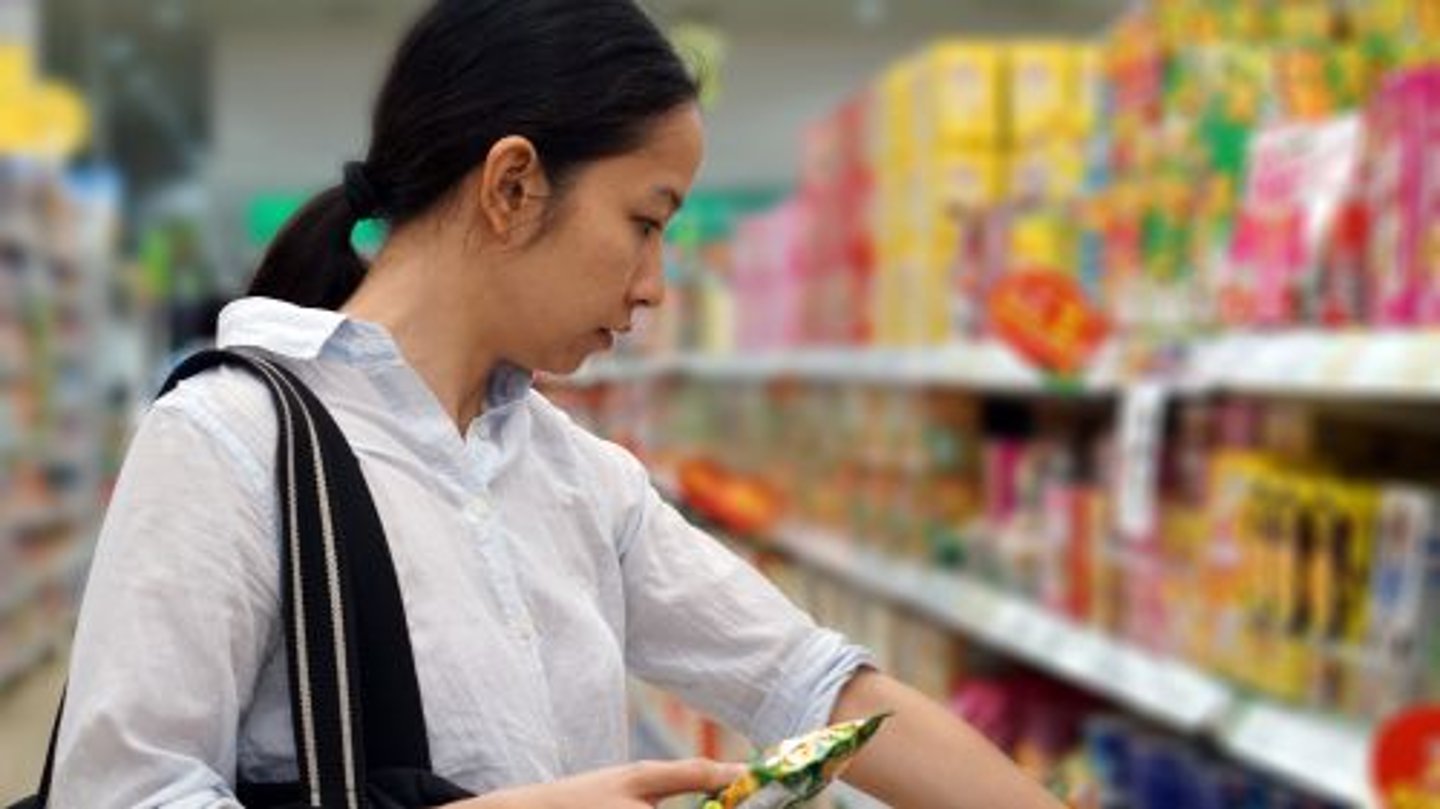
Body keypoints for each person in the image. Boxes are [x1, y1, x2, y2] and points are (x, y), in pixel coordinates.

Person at [50, 1, 1064, 807]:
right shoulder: (229, 443)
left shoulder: (578, 476)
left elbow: (812, 684)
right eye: (645, 221)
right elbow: (122, 789)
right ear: (513, 186)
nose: (656, 283)